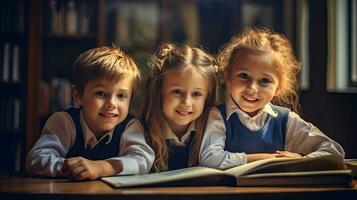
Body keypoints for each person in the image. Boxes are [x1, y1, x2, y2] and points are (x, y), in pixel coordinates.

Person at [199, 27, 345, 169]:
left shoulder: (285, 120)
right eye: (244, 76)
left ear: (279, 87)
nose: (252, 89)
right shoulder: (218, 115)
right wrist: (270, 158)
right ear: (227, 76)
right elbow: (210, 159)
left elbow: (334, 151)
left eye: (264, 81)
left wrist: (300, 160)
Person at [26, 46, 154, 180]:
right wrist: (72, 168)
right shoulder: (64, 122)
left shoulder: (130, 126)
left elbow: (142, 159)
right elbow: (36, 159)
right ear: (78, 96)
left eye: (121, 96)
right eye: (101, 93)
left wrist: (102, 167)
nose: (112, 103)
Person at [144, 42, 221, 172]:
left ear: (207, 98)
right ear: (159, 91)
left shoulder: (215, 133)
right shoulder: (142, 132)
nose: (186, 102)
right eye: (177, 92)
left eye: (196, 94)